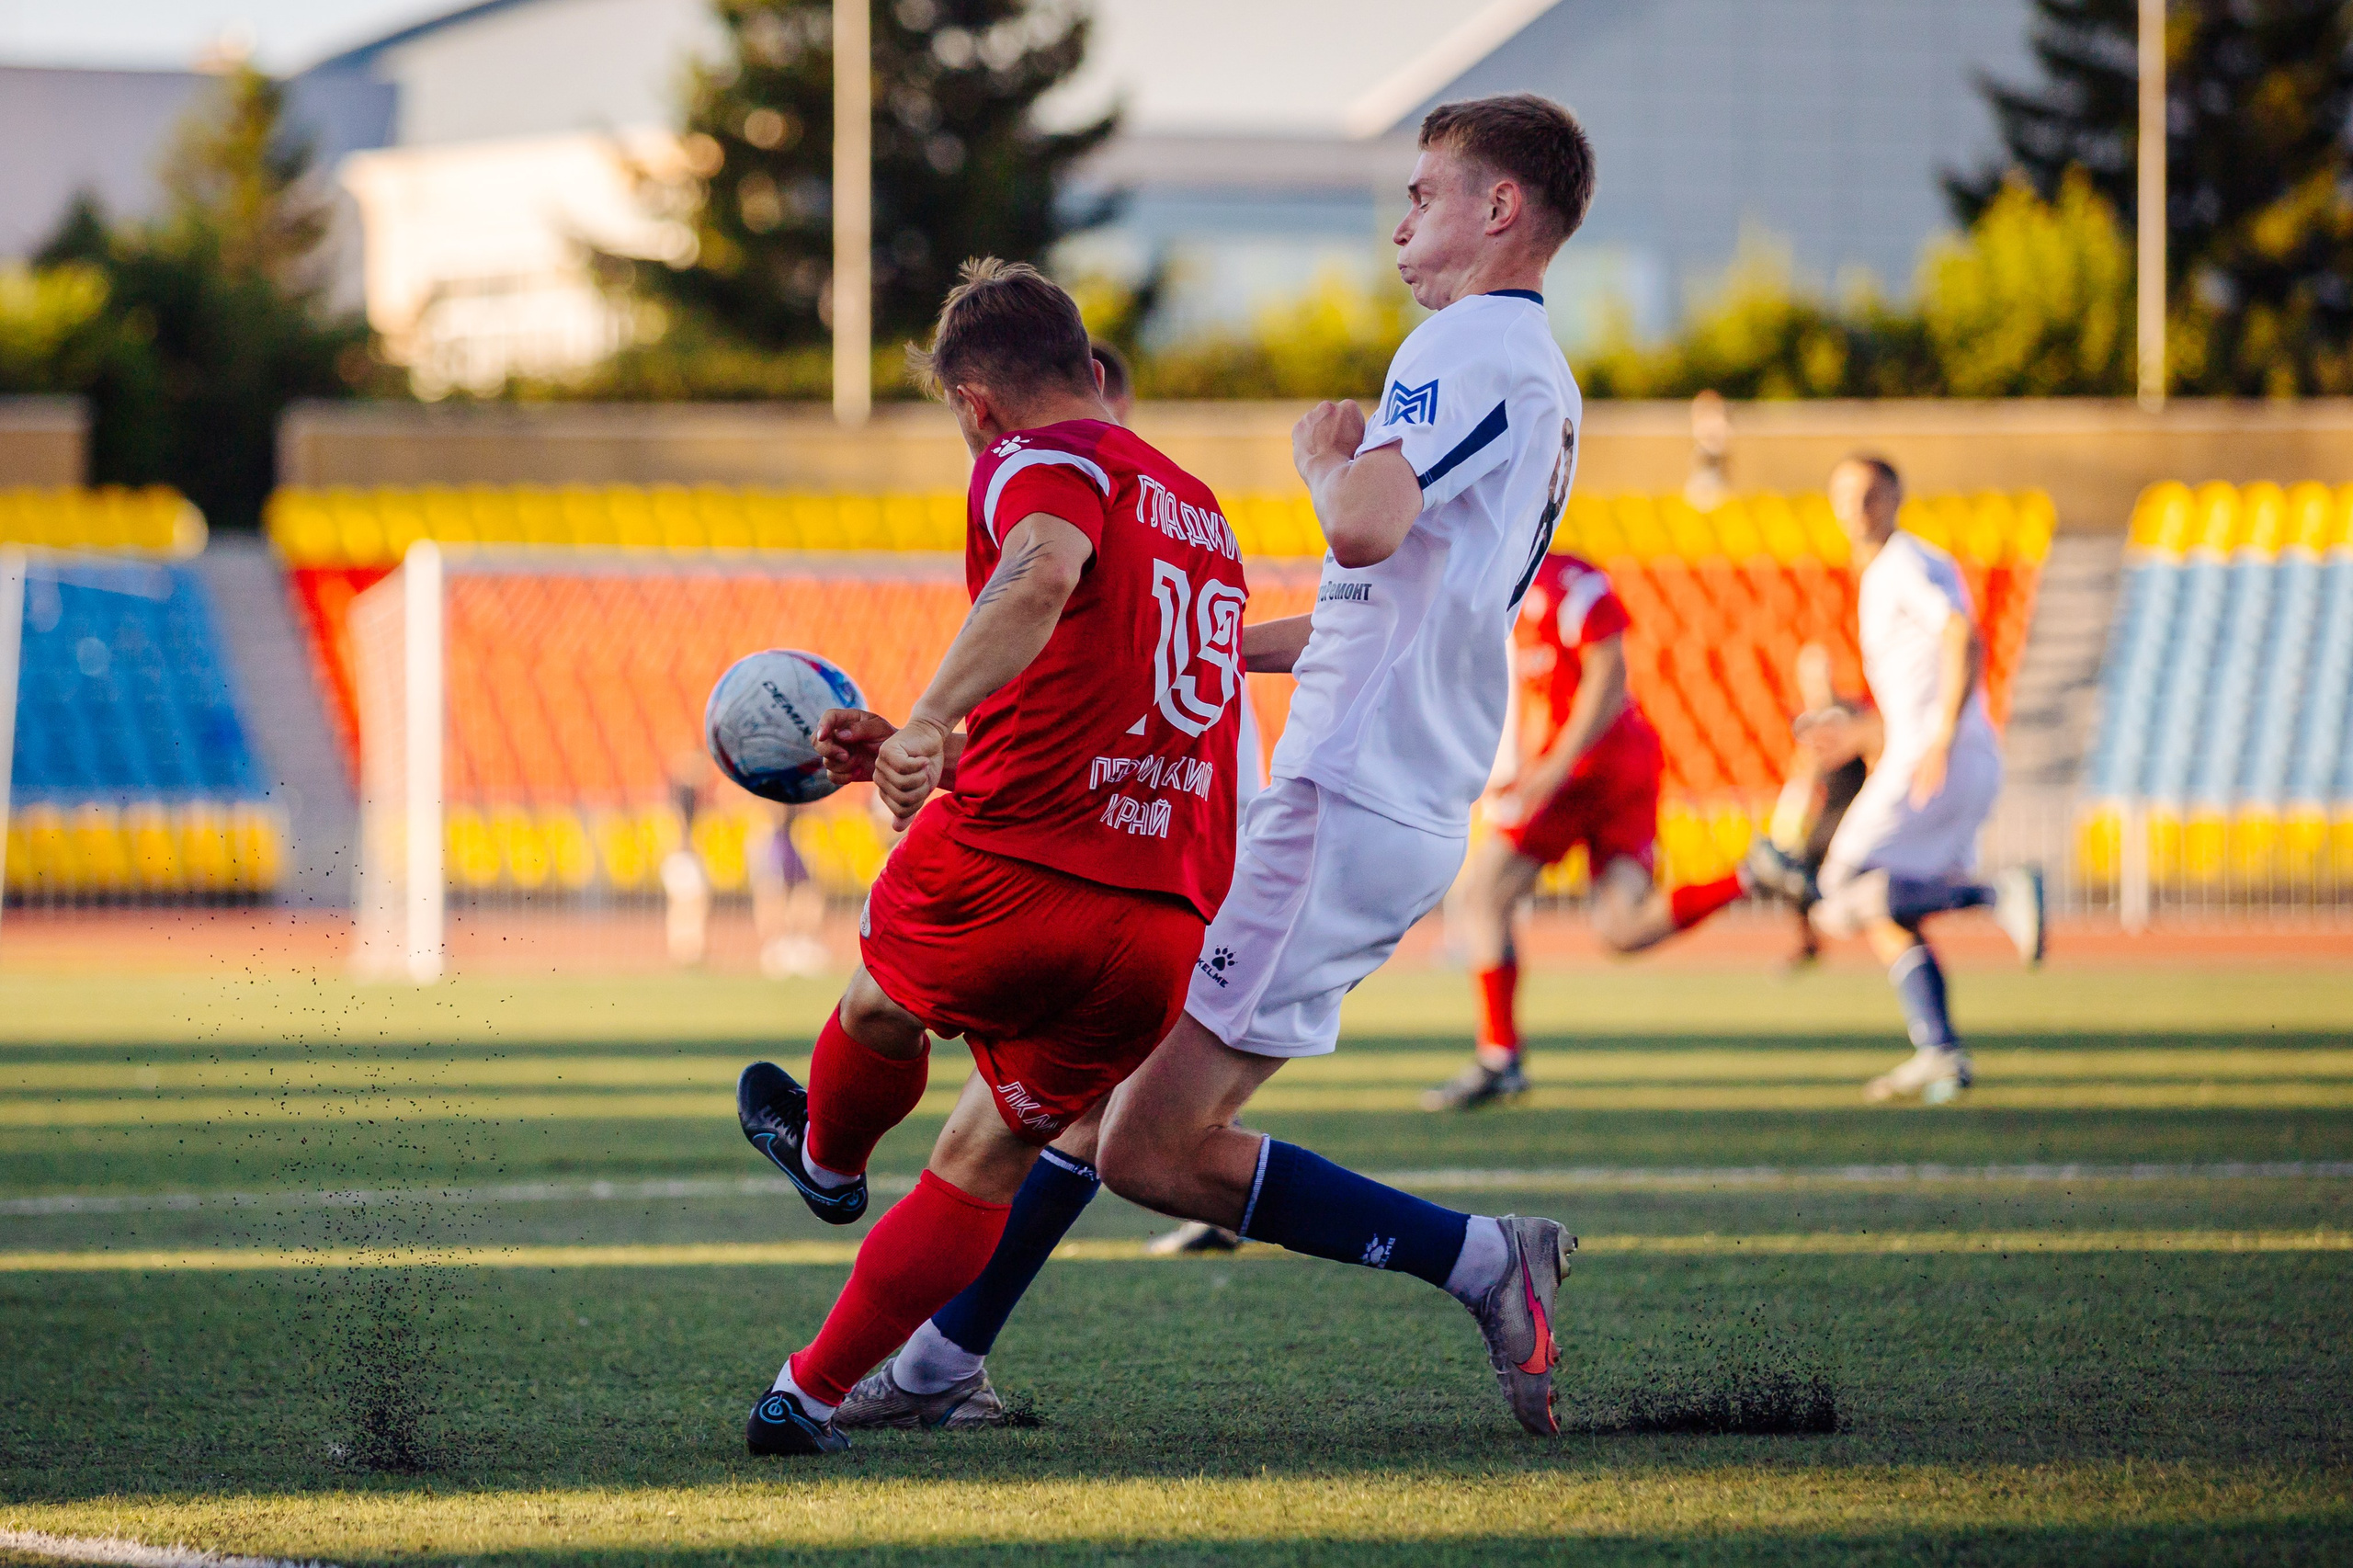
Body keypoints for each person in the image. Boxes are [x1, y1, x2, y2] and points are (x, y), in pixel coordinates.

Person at [836, 93, 1602, 1440]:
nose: (1402, 218)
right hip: (1380, 785)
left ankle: (1484, 1259)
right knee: (1091, 1086)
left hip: (1347, 796)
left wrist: (1328, 462)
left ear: (1501, 212)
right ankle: (941, 1361)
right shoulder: (1536, 372)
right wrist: (1212, 646)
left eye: (1426, 191)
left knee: (1140, 1137)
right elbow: (1407, 599)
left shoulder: (1462, 343)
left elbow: (1362, 530)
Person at [731, 257, 1249, 1456]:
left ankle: (825, 1154)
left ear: (975, 403)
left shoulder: (1034, 461)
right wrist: (944, 745)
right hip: (1161, 915)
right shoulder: (1198, 507)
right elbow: (1101, 706)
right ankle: (806, 1393)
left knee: (877, 1001)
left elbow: (1040, 572)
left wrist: (918, 722)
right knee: (989, 1153)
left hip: (1013, 867)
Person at [1425, 550, 1758, 1110]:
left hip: (1589, 769)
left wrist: (1550, 767)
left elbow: (1609, 674)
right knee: (1622, 930)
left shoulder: (1562, 582)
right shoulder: (1481, 582)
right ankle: (1752, 876)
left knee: (1483, 895)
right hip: (1587, 767)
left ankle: (1500, 1057)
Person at [1768, 456, 2044, 1103]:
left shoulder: (1902, 563)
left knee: (1836, 896)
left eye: (1869, 493)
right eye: (1844, 494)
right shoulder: (1887, 571)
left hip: (1938, 755)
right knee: (1884, 903)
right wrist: (1864, 732)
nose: (1855, 507)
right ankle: (1939, 1051)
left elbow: (1960, 634)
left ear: (1895, 497)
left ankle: (1995, 895)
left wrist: (1942, 733)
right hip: (1939, 752)